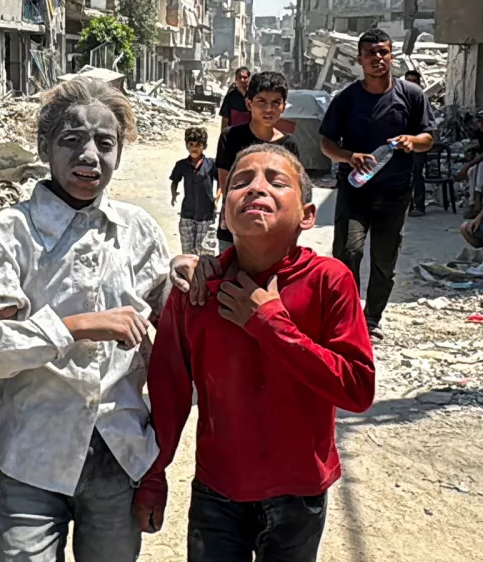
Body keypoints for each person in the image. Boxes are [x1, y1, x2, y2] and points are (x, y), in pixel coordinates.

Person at [0, 77, 171, 562]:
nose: (88, 155)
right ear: (44, 146)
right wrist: (74, 326)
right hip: (32, 457)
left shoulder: (137, 233)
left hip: (119, 453)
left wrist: (195, 274)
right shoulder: (11, 234)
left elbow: (180, 331)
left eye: (104, 143)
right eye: (71, 140)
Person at [133, 144, 376, 562]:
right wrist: (153, 475)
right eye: (241, 182)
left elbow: (357, 389)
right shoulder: (197, 291)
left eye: (276, 182)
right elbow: (169, 391)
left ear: (306, 215)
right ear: (223, 211)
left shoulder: (329, 281)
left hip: (299, 492)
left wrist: (269, 323)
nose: (256, 188)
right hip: (218, 490)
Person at [319, 28, 436, 342]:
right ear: (359, 59)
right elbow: (326, 144)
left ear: (391, 56)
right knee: (347, 253)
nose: (378, 59)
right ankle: (348, 316)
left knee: (384, 260)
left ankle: (372, 319)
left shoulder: (411, 95)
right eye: (370, 53)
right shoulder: (346, 99)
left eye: (383, 52)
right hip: (354, 191)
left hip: (395, 193)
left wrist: (412, 141)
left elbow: (428, 138)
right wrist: (348, 156)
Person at [215, 71, 300, 252]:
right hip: (236, 225)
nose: (268, 109)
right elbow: (226, 183)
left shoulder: (289, 145)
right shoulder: (230, 137)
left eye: (276, 102)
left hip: (274, 229)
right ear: (249, 104)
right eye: (261, 101)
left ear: (284, 106)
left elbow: (293, 190)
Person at [171, 127, 217, 255]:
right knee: (188, 252)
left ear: (205, 146)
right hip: (187, 213)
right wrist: (173, 194)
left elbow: (221, 182)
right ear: (186, 145)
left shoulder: (211, 164)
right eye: (191, 144)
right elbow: (175, 180)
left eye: (198, 145)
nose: (194, 148)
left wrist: (217, 197)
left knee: (204, 252)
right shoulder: (181, 165)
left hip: (206, 214)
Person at [404, 70, 429, 217]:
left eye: (414, 80)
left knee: (417, 174)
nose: (411, 83)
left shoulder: (422, 100)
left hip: (418, 143)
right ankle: (406, 205)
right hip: (402, 143)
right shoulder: (398, 98)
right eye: (409, 80)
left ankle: (419, 206)